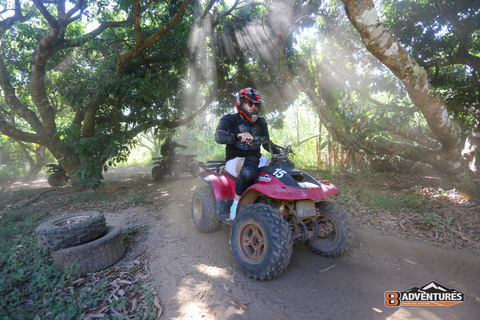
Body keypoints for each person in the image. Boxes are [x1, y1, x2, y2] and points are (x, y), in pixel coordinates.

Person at [215, 87, 283, 220]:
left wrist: (279, 152)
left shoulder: (261, 122)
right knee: (249, 170)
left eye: (256, 104)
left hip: (256, 158)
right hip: (235, 161)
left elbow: (266, 143)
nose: (253, 107)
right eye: (250, 103)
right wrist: (237, 136)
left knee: (280, 164)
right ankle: (235, 206)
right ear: (240, 103)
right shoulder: (229, 120)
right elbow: (218, 136)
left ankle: (276, 203)